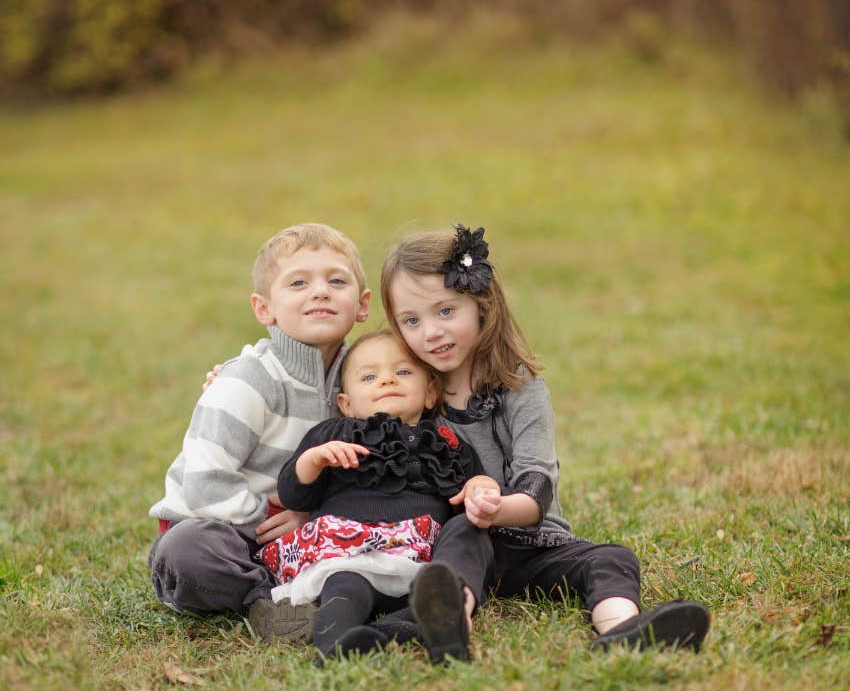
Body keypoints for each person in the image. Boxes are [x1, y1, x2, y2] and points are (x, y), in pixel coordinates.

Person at [380, 224, 711, 652]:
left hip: (536, 545)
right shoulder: (410, 395)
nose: (431, 333)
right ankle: (449, 624)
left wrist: (495, 508)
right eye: (411, 320)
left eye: (446, 311)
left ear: (481, 302)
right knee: (462, 533)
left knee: (612, 558)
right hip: (462, 548)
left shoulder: (521, 390)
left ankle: (621, 630)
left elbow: (537, 488)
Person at [148, 222, 371, 638]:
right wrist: (272, 522)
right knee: (189, 554)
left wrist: (312, 520)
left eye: (336, 281)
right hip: (223, 531)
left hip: (300, 530)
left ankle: (312, 585)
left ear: (361, 305)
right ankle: (266, 600)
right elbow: (204, 479)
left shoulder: (360, 378)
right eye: (298, 282)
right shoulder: (249, 379)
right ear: (264, 308)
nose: (320, 291)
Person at [258, 329, 502, 661]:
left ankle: (425, 622)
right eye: (369, 376)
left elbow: (470, 497)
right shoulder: (334, 435)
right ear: (345, 403)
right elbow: (293, 494)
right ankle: (338, 645)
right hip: (349, 554)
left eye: (402, 372)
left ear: (431, 393)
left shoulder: (447, 442)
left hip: (424, 561)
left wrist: (479, 487)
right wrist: (312, 460)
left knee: (468, 537)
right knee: (343, 593)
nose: (387, 380)